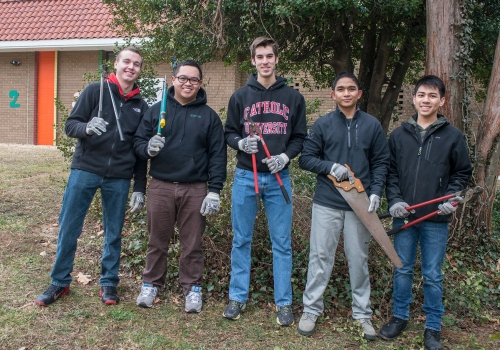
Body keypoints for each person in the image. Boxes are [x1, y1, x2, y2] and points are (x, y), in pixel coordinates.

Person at [34, 47, 149, 306]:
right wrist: (86, 128)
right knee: (69, 228)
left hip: (119, 177)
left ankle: (108, 284)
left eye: (137, 64)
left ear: (140, 69)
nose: (131, 67)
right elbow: (70, 125)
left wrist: (139, 186)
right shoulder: (94, 91)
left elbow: (140, 152)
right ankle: (59, 282)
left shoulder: (142, 106)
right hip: (85, 170)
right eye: (127, 62)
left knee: (114, 232)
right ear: (117, 64)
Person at [378, 75, 472, 350]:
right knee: (402, 269)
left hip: (436, 218)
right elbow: (391, 172)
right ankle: (400, 317)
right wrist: (394, 199)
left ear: (441, 100)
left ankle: (433, 327)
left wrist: (451, 198)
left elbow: (462, 172)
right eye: (421, 95)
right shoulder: (398, 134)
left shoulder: (453, 136)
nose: (426, 100)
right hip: (404, 215)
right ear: (414, 98)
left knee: (432, 273)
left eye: (432, 96)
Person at [297, 71, 389, 340]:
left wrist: (375, 192)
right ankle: (311, 309)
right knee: (320, 257)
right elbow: (306, 159)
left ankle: (363, 314)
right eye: (341, 89)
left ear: (359, 94)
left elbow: (381, 162)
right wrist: (330, 167)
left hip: (360, 205)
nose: (346, 93)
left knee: (358, 260)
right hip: (327, 202)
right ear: (333, 94)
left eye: (351, 89)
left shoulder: (372, 125)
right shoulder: (324, 124)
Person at [223, 36, 307, 326]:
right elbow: (229, 132)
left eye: (269, 56)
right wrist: (240, 143)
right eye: (260, 57)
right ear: (253, 61)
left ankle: (284, 302)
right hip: (247, 176)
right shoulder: (240, 97)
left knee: (281, 243)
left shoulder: (293, 98)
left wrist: (285, 158)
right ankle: (237, 297)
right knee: (241, 239)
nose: (265, 61)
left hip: (278, 177)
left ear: (276, 59)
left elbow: (299, 138)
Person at [133, 60, 226, 313]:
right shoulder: (155, 111)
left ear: (200, 84)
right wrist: (146, 148)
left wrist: (215, 190)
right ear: (173, 79)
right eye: (183, 78)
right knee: (156, 241)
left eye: (193, 80)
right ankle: (151, 283)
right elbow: (139, 146)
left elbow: (218, 155)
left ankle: (192, 288)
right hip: (161, 185)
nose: (188, 83)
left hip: (195, 188)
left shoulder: (209, 117)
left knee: (192, 243)